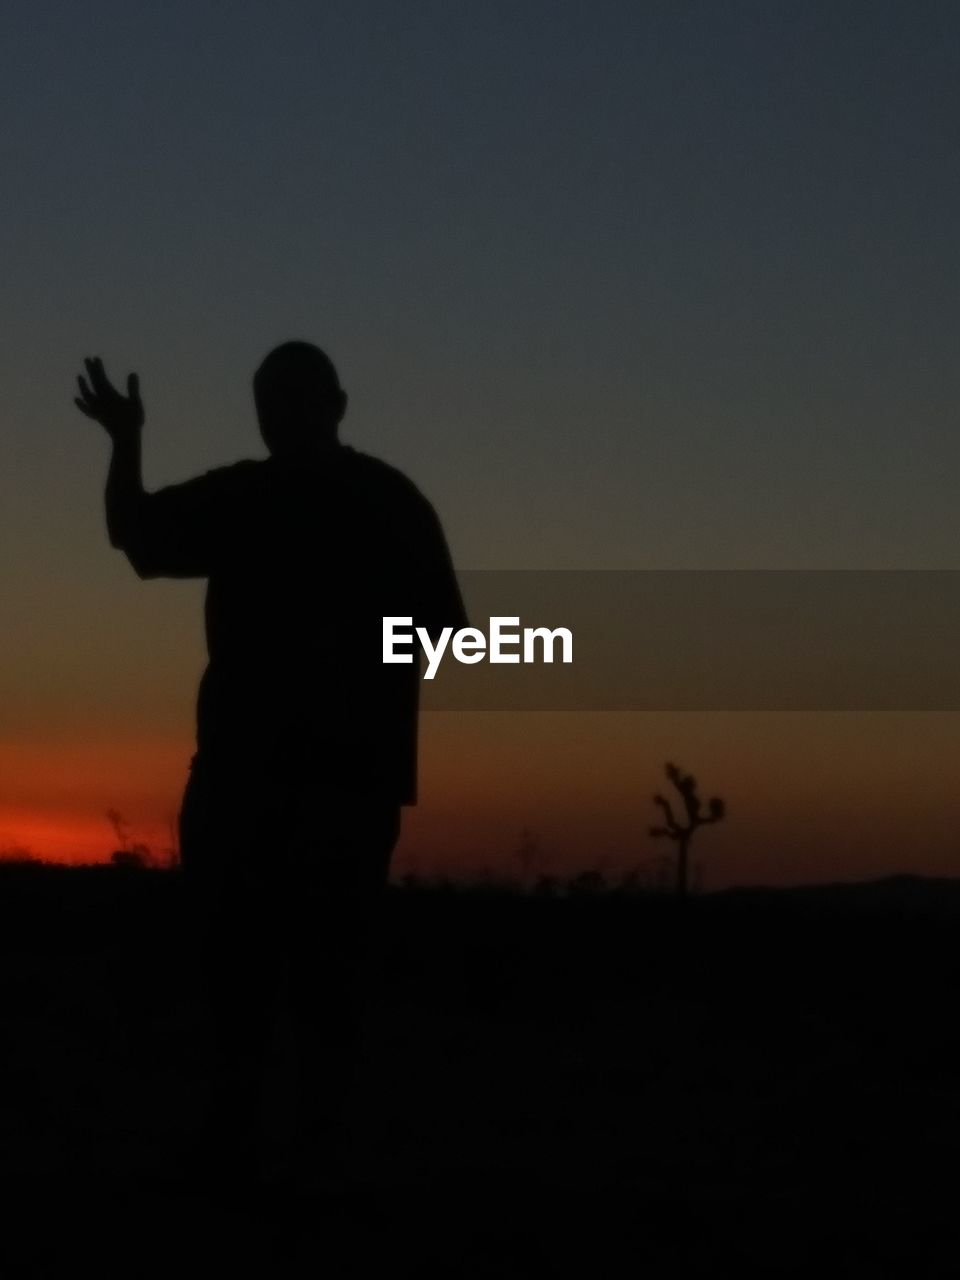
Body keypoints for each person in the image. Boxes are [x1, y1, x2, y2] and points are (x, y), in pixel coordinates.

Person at [75, 343, 466, 1189]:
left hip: (277, 786)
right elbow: (443, 634)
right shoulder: (380, 500)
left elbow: (134, 534)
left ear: (329, 404)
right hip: (316, 786)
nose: (276, 412)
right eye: (270, 398)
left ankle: (258, 1154)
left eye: (284, 397)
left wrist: (125, 441)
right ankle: (292, 1157)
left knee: (255, 979)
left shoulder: (259, 498)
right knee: (288, 981)